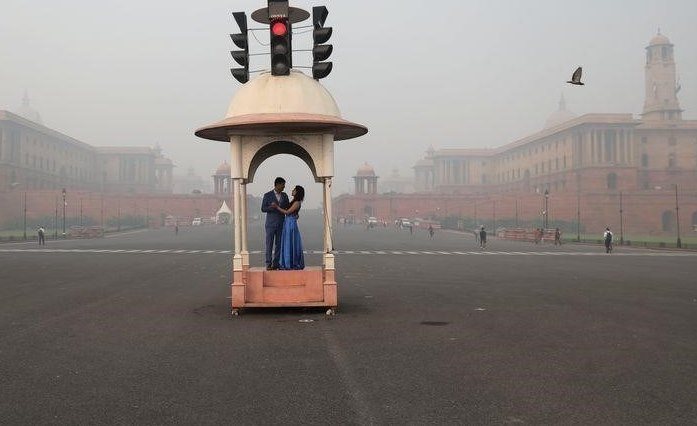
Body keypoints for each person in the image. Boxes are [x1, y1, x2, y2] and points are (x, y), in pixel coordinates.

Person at [261, 177, 290, 270]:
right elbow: (263, 209)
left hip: (281, 223)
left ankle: (276, 263)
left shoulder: (285, 196)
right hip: (270, 224)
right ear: (277, 184)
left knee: (279, 244)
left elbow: (287, 207)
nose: (284, 187)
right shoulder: (267, 195)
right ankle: (268, 263)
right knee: (269, 244)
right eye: (283, 185)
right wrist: (272, 207)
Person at [275, 185, 305, 270]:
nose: (292, 190)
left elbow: (287, 212)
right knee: (289, 242)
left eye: (294, 189)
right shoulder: (294, 201)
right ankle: (288, 262)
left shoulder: (296, 202)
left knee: (289, 242)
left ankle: (289, 263)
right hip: (289, 222)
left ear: (297, 192)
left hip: (290, 223)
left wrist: (277, 207)